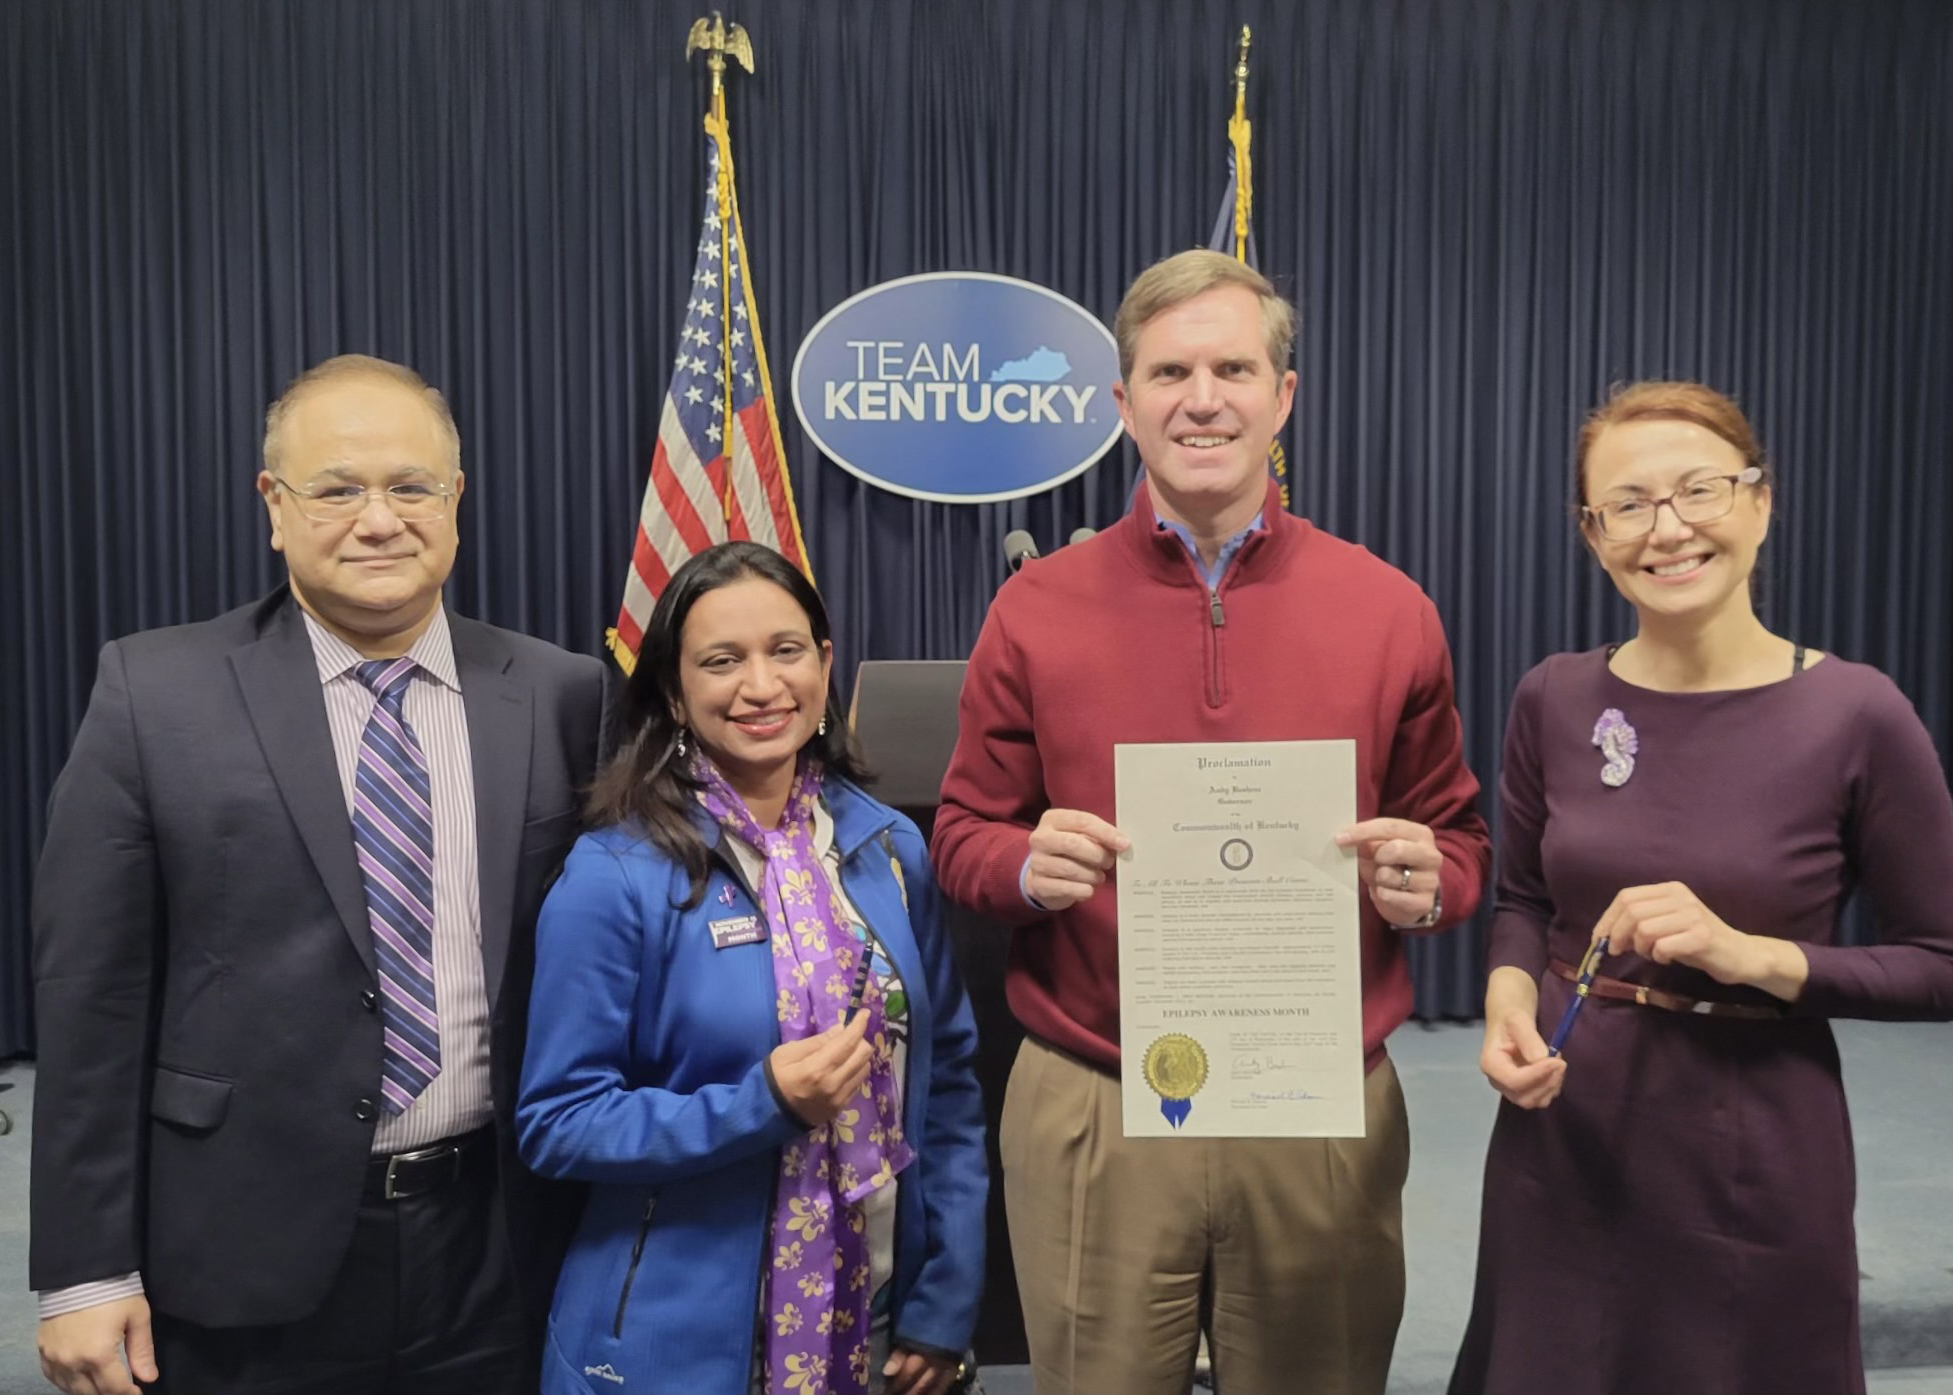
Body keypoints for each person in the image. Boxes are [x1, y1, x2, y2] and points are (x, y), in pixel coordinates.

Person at [930, 248, 1491, 1395]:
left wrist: (1427, 882)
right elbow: (962, 834)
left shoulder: (1390, 609)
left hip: (1315, 1096)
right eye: (1171, 369)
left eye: (1234, 367)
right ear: (1121, 401)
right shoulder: (1033, 608)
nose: (1203, 397)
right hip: (1097, 1097)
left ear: (1283, 396)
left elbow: (1460, 842)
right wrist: (1027, 867)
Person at [30, 354, 610, 1395]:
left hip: (501, 1244)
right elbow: (91, 997)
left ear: (456, 500)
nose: (378, 520)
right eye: (338, 489)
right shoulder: (152, 693)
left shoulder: (563, 695)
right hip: (243, 1246)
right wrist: (83, 1269)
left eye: (410, 486)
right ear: (275, 506)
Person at [1450, 381, 1953, 1395]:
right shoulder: (1553, 695)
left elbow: (1942, 962)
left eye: (1699, 491)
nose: (1666, 529)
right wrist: (1508, 1007)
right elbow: (1526, 904)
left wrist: (1752, 956)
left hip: (1755, 1153)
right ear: (1594, 535)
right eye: (1628, 504)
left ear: (1760, 504)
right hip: (1563, 1142)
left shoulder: (1857, 713)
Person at [516, 540, 987, 1395]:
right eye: (722, 660)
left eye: (786, 650)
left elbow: (948, 1084)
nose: (762, 686)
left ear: (825, 661)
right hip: (674, 1344)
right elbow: (558, 1120)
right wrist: (760, 1105)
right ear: (672, 689)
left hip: (877, 1323)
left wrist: (943, 1300)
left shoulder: (887, 849)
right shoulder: (614, 875)